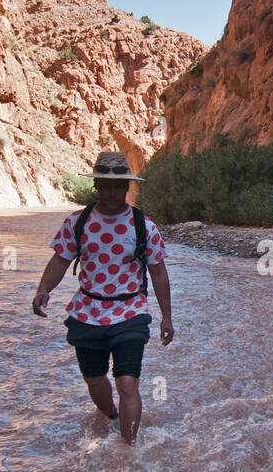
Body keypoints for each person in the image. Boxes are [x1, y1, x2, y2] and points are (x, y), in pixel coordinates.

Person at [31, 150, 174, 445]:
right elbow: (60, 261)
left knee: (127, 383)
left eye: (117, 186)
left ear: (127, 187)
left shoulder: (144, 226)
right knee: (95, 380)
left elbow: (158, 273)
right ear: (96, 185)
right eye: (105, 186)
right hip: (87, 312)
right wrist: (43, 289)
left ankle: (128, 449)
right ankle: (110, 416)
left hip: (130, 311)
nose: (111, 193)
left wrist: (167, 317)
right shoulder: (77, 222)